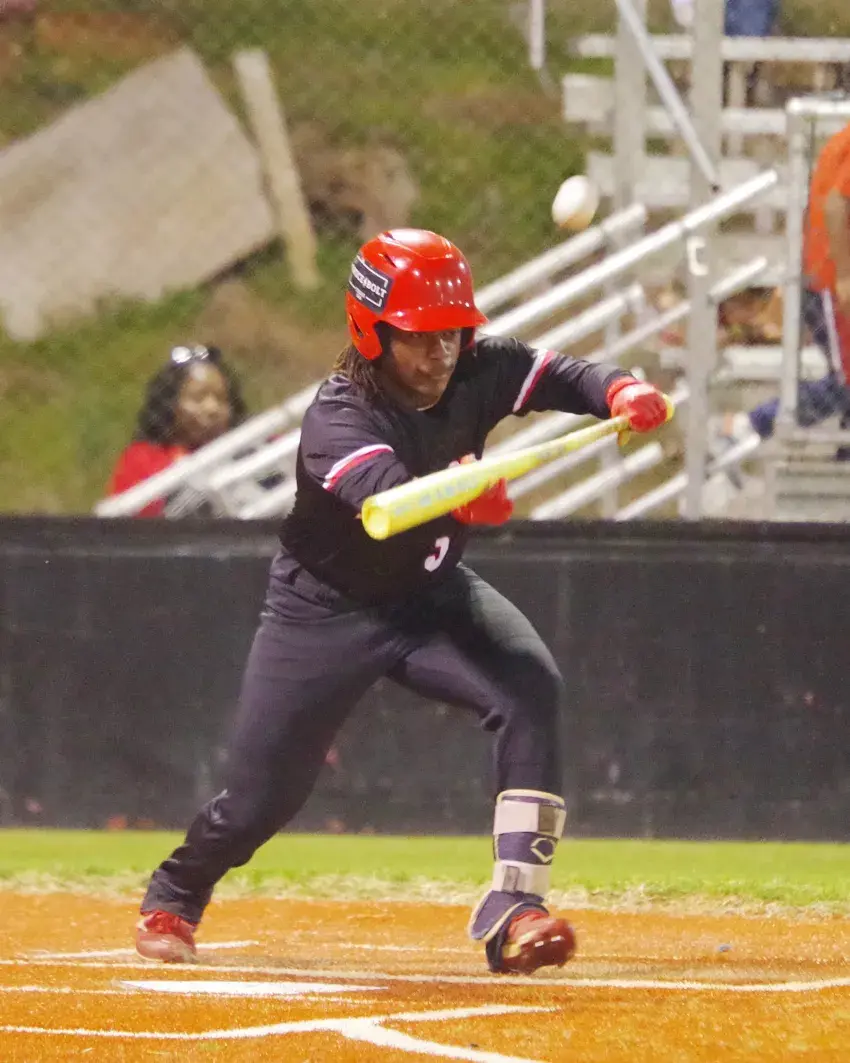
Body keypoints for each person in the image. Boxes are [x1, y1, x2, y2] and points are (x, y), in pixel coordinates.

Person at [133, 229, 668, 974]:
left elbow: (560, 374)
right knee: (262, 798)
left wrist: (621, 391)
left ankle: (514, 908)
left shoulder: (477, 368)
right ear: (372, 331)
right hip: (325, 610)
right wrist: (463, 494)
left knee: (529, 686)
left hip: (432, 594)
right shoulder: (339, 417)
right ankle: (177, 890)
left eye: (451, 333)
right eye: (418, 337)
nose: (439, 353)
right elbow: (389, 504)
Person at [107, 344, 247, 516]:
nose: (212, 408)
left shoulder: (251, 448)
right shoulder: (142, 458)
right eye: (198, 398)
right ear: (170, 404)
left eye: (221, 398)